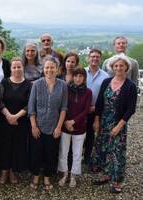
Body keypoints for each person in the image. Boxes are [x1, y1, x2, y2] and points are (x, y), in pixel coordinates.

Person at [91, 54, 137, 193]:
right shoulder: (107, 82)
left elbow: (131, 109)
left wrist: (119, 126)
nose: (118, 68)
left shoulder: (130, 86)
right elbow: (99, 102)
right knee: (103, 149)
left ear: (126, 68)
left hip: (118, 123)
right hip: (104, 121)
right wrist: (97, 120)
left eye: (121, 65)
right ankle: (106, 175)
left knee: (117, 152)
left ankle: (117, 181)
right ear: (112, 67)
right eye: (116, 65)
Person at [28, 56, 67, 191]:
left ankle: (47, 177)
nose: (49, 70)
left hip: (54, 127)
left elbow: (63, 108)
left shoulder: (63, 85)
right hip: (37, 126)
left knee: (50, 154)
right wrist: (33, 126)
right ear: (43, 69)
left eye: (52, 67)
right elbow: (31, 107)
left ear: (57, 69)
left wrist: (59, 127)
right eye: (47, 67)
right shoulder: (37, 84)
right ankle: (35, 177)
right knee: (36, 153)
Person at [0, 57, 32, 184]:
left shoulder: (29, 84)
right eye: (14, 67)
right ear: (10, 69)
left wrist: (15, 117)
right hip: (5, 120)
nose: (17, 69)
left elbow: (30, 104)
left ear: (23, 68)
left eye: (19, 67)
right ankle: (4, 170)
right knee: (4, 145)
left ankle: (13, 171)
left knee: (18, 146)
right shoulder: (4, 83)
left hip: (21, 121)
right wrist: (8, 116)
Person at [58, 67, 92, 187]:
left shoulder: (88, 92)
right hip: (65, 126)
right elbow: (62, 106)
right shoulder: (66, 89)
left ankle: (73, 175)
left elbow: (86, 110)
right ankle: (64, 174)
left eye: (81, 76)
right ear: (72, 77)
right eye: (76, 76)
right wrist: (67, 121)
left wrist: (73, 122)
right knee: (64, 152)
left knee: (77, 153)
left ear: (84, 78)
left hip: (80, 127)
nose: (78, 78)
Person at [84, 49, 109, 166]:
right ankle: (76, 156)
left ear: (100, 59)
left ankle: (87, 156)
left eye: (97, 57)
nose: (94, 59)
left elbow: (106, 96)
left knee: (90, 134)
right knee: (79, 133)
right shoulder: (82, 72)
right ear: (88, 58)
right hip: (81, 110)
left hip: (96, 110)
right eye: (92, 56)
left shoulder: (105, 76)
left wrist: (96, 108)